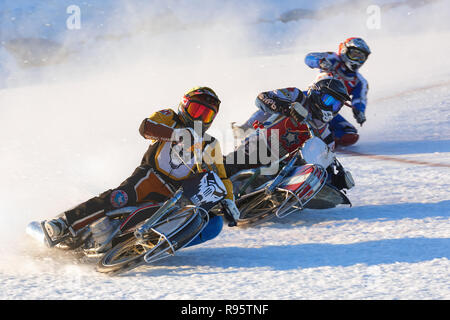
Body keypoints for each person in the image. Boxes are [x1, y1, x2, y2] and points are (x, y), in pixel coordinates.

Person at [44, 86, 240, 246]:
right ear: (184, 105)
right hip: (148, 177)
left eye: (205, 115)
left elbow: (220, 177)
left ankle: (126, 246)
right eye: (196, 110)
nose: (198, 118)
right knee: (117, 199)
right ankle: (64, 223)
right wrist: (176, 135)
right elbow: (146, 127)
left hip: (174, 193)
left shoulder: (210, 143)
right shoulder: (170, 117)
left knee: (173, 221)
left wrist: (229, 200)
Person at [225, 77, 354, 191]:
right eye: (329, 101)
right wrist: (286, 108)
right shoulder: (296, 96)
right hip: (262, 145)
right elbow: (262, 98)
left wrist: (336, 180)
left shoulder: (326, 135)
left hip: (285, 168)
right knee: (231, 166)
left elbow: (323, 164)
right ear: (317, 93)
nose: (331, 108)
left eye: (337, 105)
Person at [304, 37, 371, 147]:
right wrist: (320, 62)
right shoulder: (332, 59)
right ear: (344, 51)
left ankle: (322, 136)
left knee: (349, 133)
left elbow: (359, 99)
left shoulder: (360, 82)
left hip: (330, 110)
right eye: (354, 54)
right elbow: (308, 58)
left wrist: (359, 111)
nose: (356, 60)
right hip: (311, 98)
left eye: (361, 57)